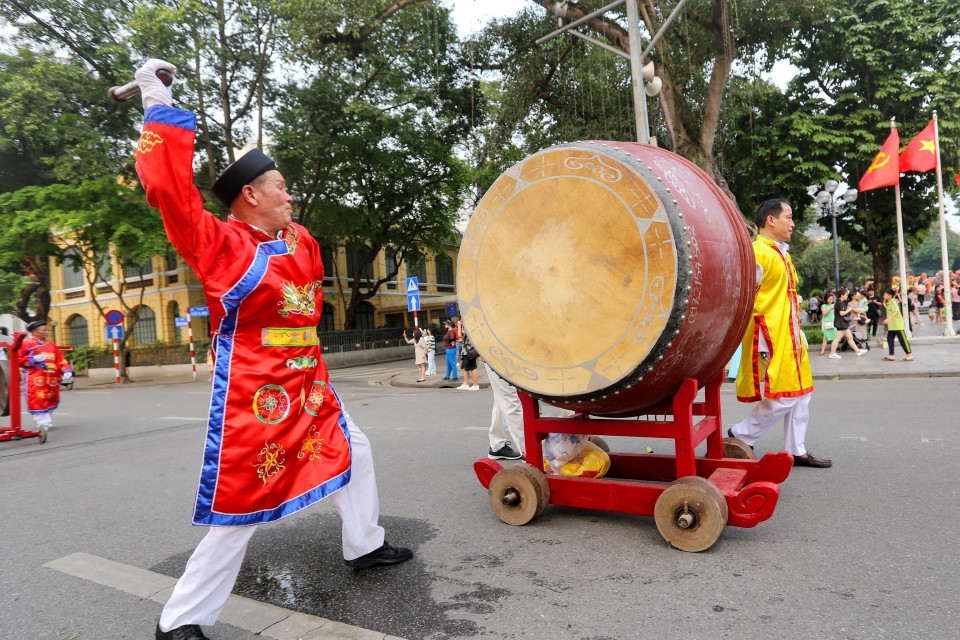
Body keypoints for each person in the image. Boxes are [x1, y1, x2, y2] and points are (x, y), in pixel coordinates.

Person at [132, 59, 410, 640]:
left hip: (308, 374)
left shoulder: (296, 237)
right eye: (279, 187)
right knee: (243, 501)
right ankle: (180, 619)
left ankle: (365, 545)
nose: (289, 194)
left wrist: (286, 228)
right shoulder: (216, 241)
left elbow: (300, 259)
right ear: (249, 196)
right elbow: (168, 190)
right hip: (258, 384)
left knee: (354, 449)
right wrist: (156, 104)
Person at [731, 199, 831, 468]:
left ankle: (795, 449)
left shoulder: (782, 253)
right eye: (788, 217)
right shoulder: (756, 253)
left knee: (802, 393)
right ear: (770, 220)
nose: (793, 223)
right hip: (770, 333)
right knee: (784, 394)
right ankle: (741, 435)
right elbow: (742, 296)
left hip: (791, 333)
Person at [16, 319, 73, 433]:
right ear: (34, 332)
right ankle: (42, 423)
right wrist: (32, 359)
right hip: (36, 377)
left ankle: (44, 419)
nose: (47, 332)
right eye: (44, 330)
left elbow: (60, 358)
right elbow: (17, 360)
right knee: (38, 398)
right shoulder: (26, 344)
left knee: (52, 397)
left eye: (47, 329)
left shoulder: (51, 344)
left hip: (52, 378)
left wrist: (66, 370)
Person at [483, 362, 524, 460]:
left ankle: (497, 445)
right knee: (511, 397)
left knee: (502, 395)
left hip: (496, 352)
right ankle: (528, 452)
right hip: (500, 353)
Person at [828, 288, 867, 358]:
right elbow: (842, 313)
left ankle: (858, 351)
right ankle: (832, 353)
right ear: (842, 295)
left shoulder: (838, 302)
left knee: (850, 337)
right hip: (841, 324)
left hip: (842, 323)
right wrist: (849, 309)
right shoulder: (841, 303)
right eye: (846, 295)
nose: (847, 296)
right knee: (837, 339)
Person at [881, 289, 912, 361]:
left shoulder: (893, 302)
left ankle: (909, 354)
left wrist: (888, 319)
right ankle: (891, 355)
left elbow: (896, 311)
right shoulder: (889, 303)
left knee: (902, 340)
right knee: (889, 339)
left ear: (890, 295)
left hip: (897, 325)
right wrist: (884, 304)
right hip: (892, 326)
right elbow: (890, 311)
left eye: (885, 295)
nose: (883, 296)